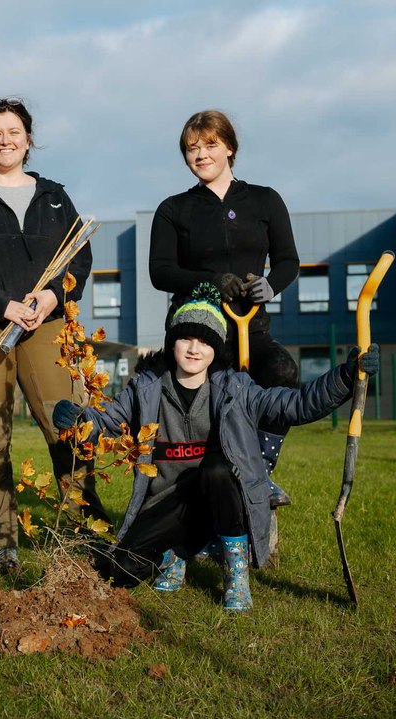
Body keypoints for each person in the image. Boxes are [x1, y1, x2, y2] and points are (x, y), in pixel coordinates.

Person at [53, 283, 379, 611]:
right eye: (186, 338)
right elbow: (105, 420)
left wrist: (346, 377)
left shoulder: (236, 389)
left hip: (221, 499)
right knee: (123, 570)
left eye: (205, 341)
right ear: (172, 343)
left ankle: (235, 572)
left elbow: (295, 405)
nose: (195, 349)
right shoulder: (146, 389)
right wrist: (79, 419)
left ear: (216, 348)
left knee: (219, 470)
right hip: (169, 502)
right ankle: (176, 551)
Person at [0, 97, 107, 574]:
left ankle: (83, 529)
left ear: (29, 140)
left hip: (46, 328)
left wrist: (52, 296)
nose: (5, 140)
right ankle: (1, 542)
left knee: (68, 428)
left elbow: (79, 255)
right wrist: (1, 304)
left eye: (14, 131)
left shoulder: (54, 196)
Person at [148, 109, 301, 506]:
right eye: (191, 148)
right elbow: (160, 271)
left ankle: (259, 472)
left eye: (210, 144)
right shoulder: (174, 209)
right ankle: (197, 506)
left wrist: (271, 284)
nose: (201, 154)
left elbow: (288, 260)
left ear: (230, 147)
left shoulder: (264, 200)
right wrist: (209, 281)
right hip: (197, 333)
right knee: (207, 414)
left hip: (253, 329)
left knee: (282, 372)